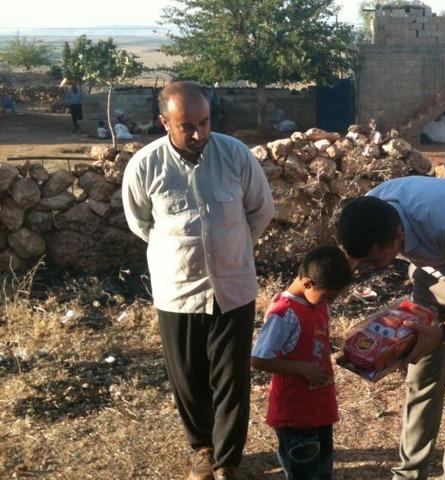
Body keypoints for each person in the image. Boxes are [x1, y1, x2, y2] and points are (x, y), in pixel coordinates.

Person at [121, 81, 275, 480]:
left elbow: (260, 211)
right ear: (164, 122)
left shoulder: (236, 156)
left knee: (232, 379)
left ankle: (227, 461)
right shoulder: (145, 165)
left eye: (204, 123)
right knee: (188, 381)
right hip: (178, 292)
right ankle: (202, 449)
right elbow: (141, 223)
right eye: (186, 126)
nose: (198, 133)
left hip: (233, 287)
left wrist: (233, 247)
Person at [336, 176, 445, 480]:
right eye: (364, 262)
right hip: (431, 275)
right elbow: (349, 260)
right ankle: (409, 473)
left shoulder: (443, 221)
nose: (370, 268)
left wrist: (443, 331)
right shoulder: (369, 214)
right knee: (420, 373)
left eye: (375, 260)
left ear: (399, 235)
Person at [250, 245, 353, 480]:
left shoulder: (316, 304)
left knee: (322, 470)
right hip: (295, 414)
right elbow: (258, 359)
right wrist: (301, 369)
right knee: (304, 472)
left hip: (319, 409)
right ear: (307, 283)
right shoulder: (285, 314)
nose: (331, 302)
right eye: (329, 296)